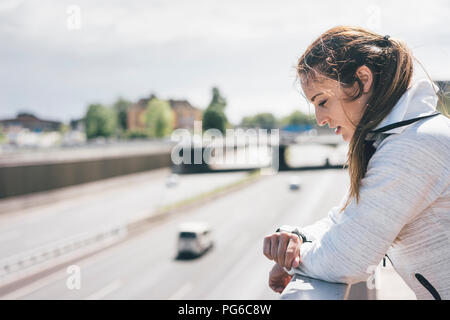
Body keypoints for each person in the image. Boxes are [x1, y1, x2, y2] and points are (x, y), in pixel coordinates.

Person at [263, 26, 450, 300]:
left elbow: (348, 259)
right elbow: (344, 219)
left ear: (362, 79)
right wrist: (296, 237)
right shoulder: (405, 137)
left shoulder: (412, 146)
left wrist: (295, 258)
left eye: (322, 101)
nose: (319, 119)